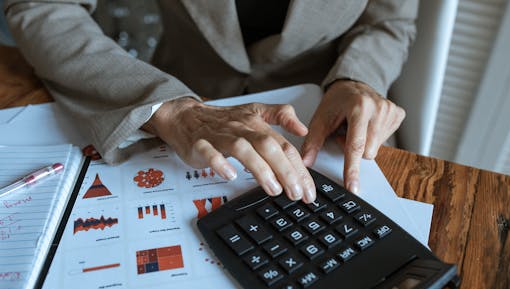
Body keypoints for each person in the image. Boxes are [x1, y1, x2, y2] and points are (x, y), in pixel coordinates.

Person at [4, 0, 418, 203]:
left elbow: (388, 20)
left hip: (325, 122)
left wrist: (357, 78)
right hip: (175, 101)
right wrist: (169, 107)